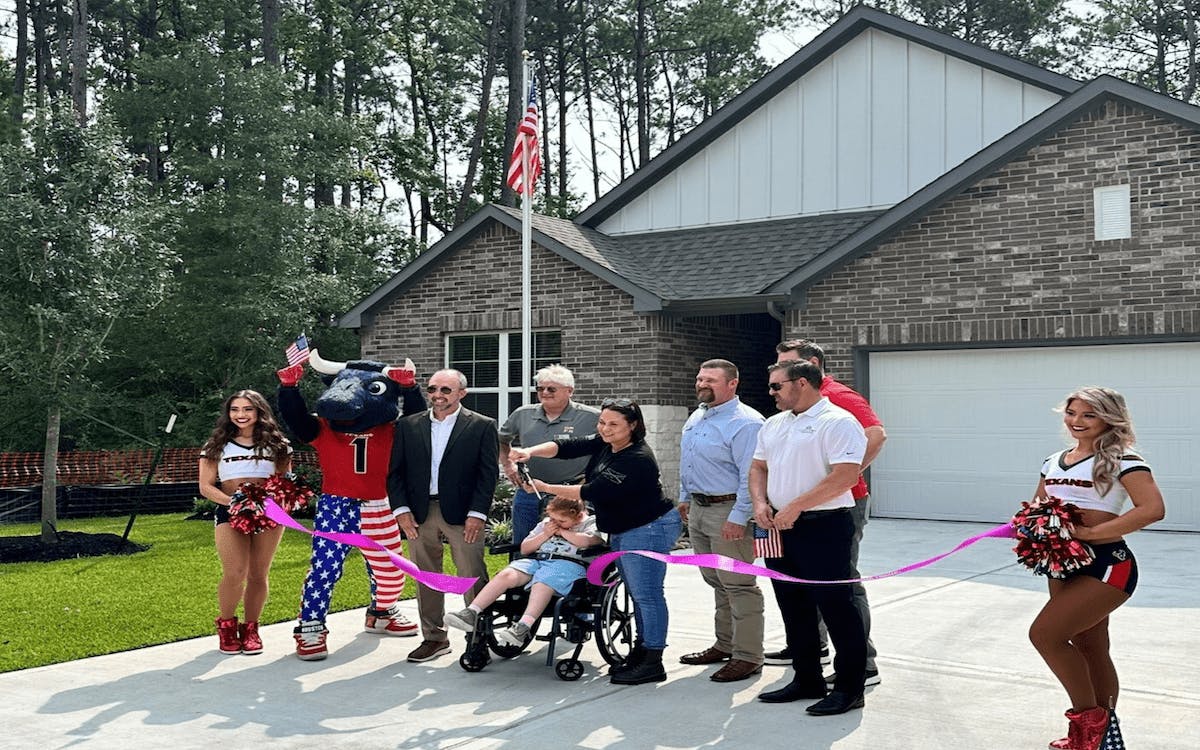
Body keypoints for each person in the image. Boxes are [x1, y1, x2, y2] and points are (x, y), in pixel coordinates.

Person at [509, 397, 682, 685]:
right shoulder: (607, 443)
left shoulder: (636, 458)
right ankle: (641, 652)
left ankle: (652, 661)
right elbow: (567, 446)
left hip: (648, 529)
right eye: (602, 422)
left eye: (614, 424)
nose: (605, 429)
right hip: (624, 528)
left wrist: (543, 487)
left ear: (633, 425)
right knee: (639, 593)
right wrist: (529, 451)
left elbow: (593, 491)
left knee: (647, 594)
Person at [1028, 387, 1164, 750]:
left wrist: (1091, 532)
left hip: (1108, 567)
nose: (1077, 421)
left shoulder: (1124, 459)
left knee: (1045, 635)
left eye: (1089, 415)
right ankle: (1102, 735)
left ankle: (1090, 727)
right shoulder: (1054, 460)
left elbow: (1151, 509)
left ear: (1109, 418)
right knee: (1091, 646)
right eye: (1071, 413)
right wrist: (1029, 527)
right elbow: (1039, 507)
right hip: (1062, 564)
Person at [751, 360, 868, 716]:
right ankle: (807, 679)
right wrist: (760, 502)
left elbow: (845, 476)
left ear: (801, 383)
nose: (770, 393)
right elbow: (758, 466)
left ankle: (849, 689)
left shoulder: (838, 421)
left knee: (838, 609)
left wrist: (797, 506)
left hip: (825, 525)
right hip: (778, 525)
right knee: (792, 604)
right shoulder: (774, 424)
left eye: (776, 386)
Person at [772, 339, 887, 687]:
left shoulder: (840, 397)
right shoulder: (787, 414)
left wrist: (843, 477)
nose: (780, 374)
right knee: (802, 583)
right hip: (797, 511)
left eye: (787, 365)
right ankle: (814, 647)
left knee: (842, 585)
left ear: (809, 367)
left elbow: (877, 435)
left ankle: (862, 664)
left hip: (838, 505)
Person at [387, 369, 499, 663]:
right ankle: (434, 639)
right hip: (419, 514)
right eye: (433, 389)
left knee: (471, 576)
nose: (438, 395)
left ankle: (478, 639)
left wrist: (477, 514)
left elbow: (487, 475)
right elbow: (395, 473)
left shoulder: (482, 426)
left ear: (462, 393)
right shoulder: (408, 425)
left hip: (463, 515)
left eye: (446, 390)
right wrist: (401, 511)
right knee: (427, 577)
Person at [677, 359, 766, 682]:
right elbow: (688, 461)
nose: (702, 384)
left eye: (711, 380)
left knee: (739, 585)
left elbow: (751, 476)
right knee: (716, 580)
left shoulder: (746, 423)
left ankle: (748, 656)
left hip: (728, 511)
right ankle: (725, 644)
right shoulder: (698, 416)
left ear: (732, 384)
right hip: (700, 510)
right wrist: (685, 497)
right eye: (700, 378)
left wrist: (739, 516)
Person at [198, 390, 292, 655]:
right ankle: (227, 626)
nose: (241, 415)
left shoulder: (278, 444)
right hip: (232, 511)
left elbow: (286, 481)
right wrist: (234, 503)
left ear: (259, 411)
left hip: (268, 513)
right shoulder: (216, 445)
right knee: (235, 571)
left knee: (258, 573)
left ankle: (251, 628)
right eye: (235, 409)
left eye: (248, 409)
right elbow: (206, 486)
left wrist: (277, 501)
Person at [445, 496, 604, 646]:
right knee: (507, 574)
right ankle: (471, 612)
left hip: (569, 564)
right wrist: (545, 534)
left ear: (578, 515)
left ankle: (523, 627)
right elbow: (525, 548)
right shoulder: (547, 524)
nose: (555, 523)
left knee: (543, 581)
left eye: (562, 521)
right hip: (539, 560)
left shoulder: (591, 523)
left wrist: (563, 532)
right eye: (553, 519)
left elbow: (589, 541)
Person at [499, 365, 600, 544]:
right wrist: (508, 465)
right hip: (529, 490)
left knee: (567, 546)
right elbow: (501, 439)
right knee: (522, 544)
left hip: (570, 493)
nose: (544, 392)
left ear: (570, 390)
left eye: (551, 388)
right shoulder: (523, 413)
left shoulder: (591, 417)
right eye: (540, 388)